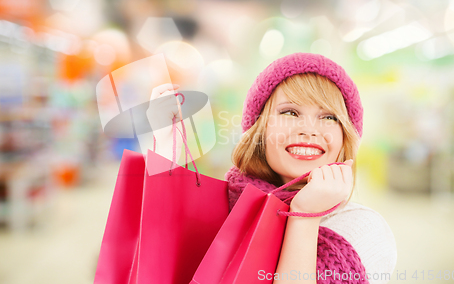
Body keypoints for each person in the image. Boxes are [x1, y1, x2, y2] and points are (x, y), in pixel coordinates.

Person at [149, 52, 397, 284]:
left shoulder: (361, 228)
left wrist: (304, 214)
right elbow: (155, 255)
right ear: (261, 129)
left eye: (329, 117)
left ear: (345, 136)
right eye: (290, 112)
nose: (309, 129)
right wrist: (163, 148)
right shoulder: (220, 207)